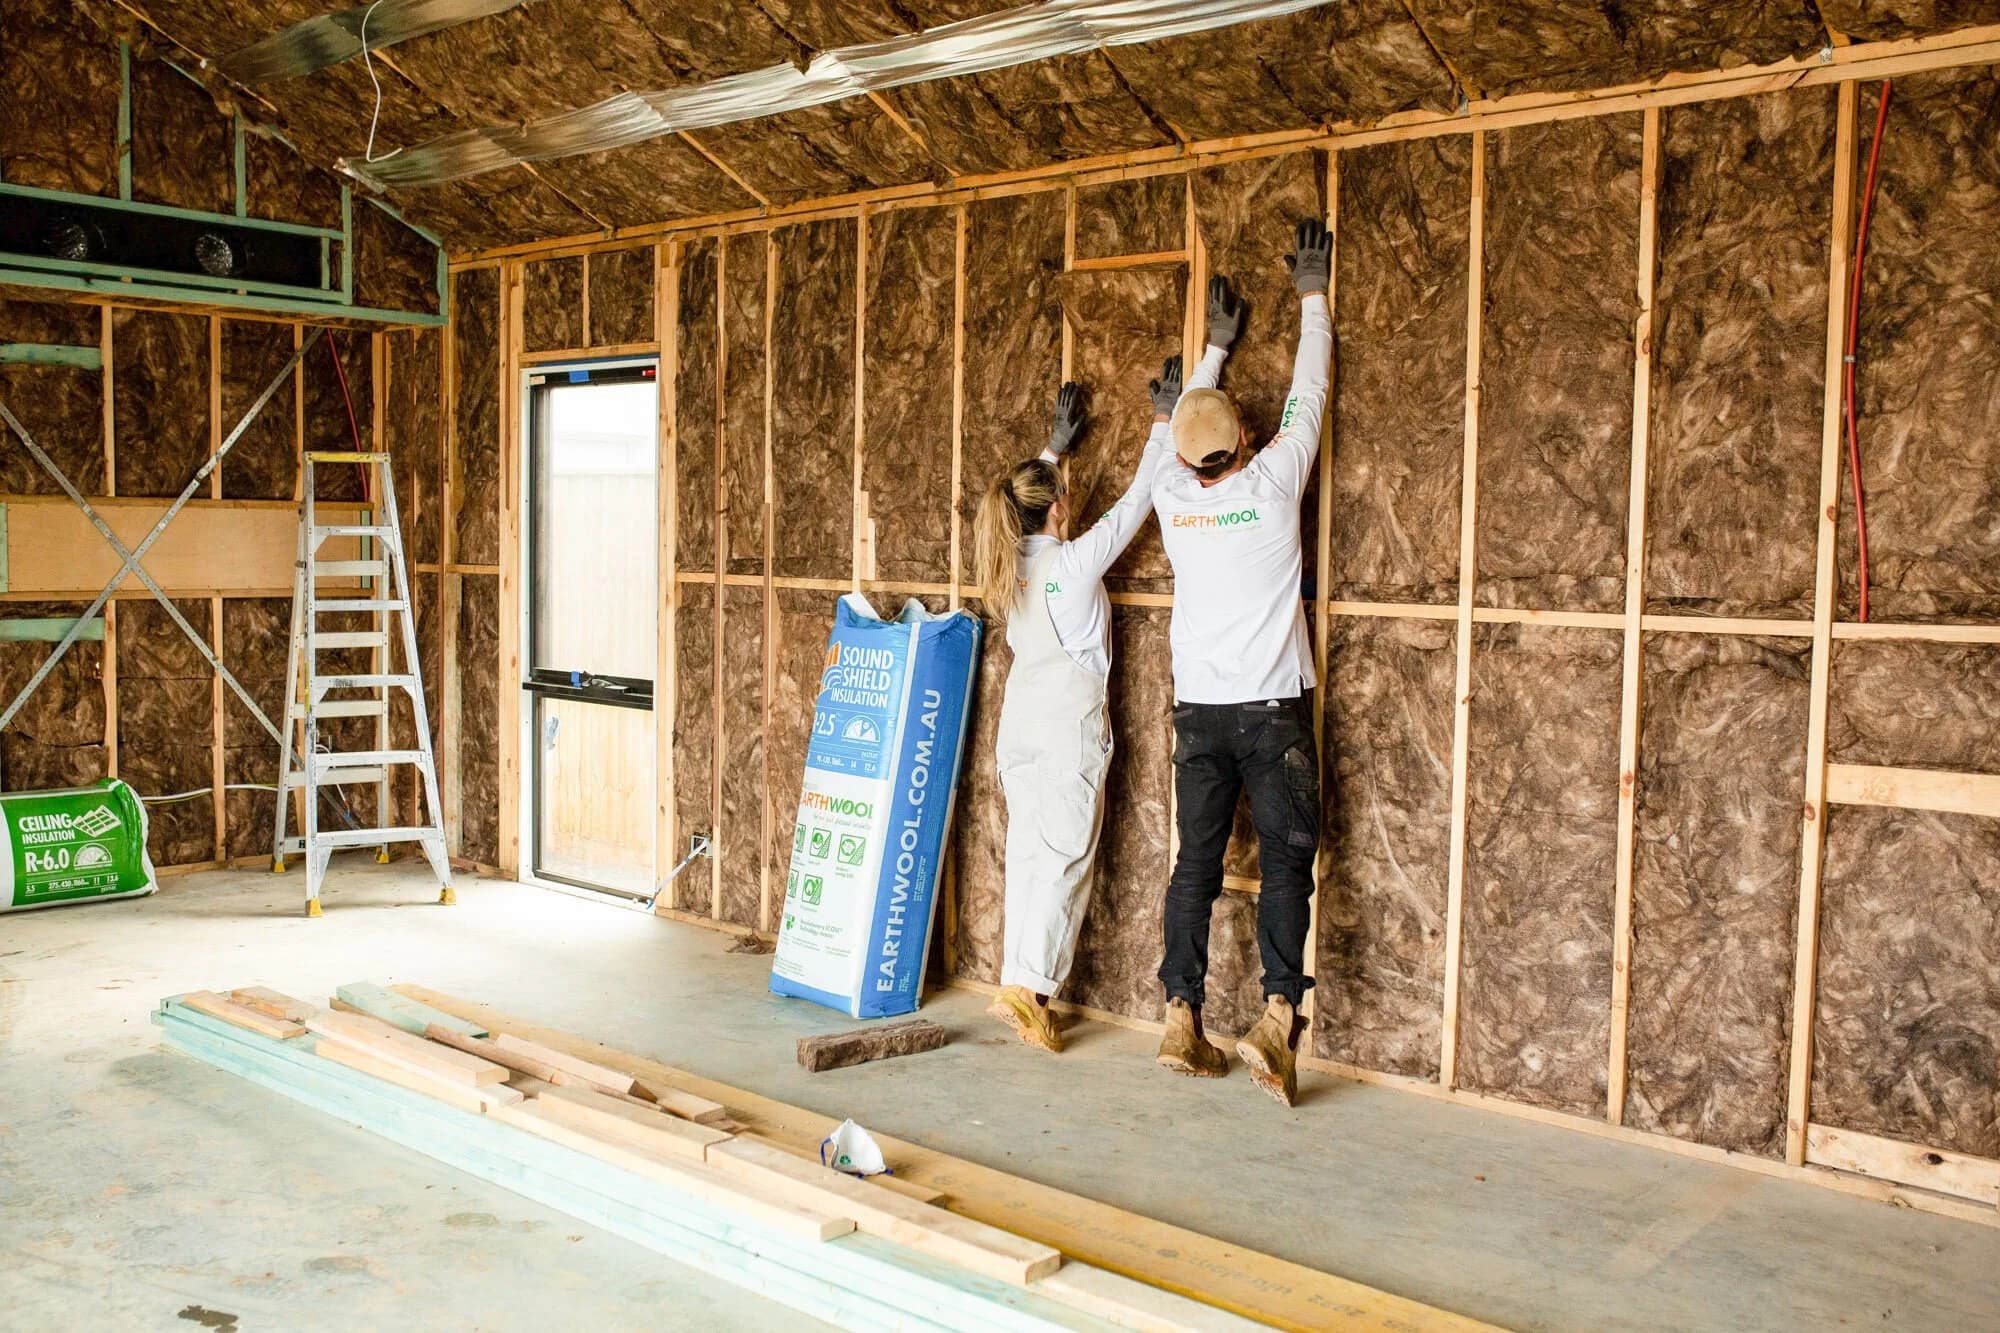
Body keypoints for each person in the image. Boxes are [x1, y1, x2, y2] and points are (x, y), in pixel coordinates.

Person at [1148, 221, 1334, 1105]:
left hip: (1199, 715)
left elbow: (1181, 429)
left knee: (1197, 863)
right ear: (1248, 440)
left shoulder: (1170, 495)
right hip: (1272, 714)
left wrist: (1212, 350)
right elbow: (1311, 388)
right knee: (1289, 866)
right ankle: (1274, 1022)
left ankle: (1180, 1016)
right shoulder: (1273, 485)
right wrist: (1312, 293)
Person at [972, 377, 1178, 1051]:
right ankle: (1032, 992)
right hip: (1066, 732)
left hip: (1021, 727)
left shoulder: (1012, 565)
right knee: (1062, 862)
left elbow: (1024, 502)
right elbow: (1137, 501)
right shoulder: (1074, 562)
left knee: (1031, 857)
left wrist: (1054, 449)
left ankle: (1014, 981)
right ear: (1059, 506)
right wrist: (1161, 420)